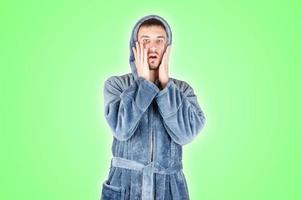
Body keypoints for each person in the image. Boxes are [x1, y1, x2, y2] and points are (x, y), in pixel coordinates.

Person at [100, 14, 206, 200]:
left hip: (170, 189)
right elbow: (122, 130)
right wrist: (144, 84)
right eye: (145, 40)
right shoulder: (117, 85)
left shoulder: (182, 90)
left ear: (168, 47)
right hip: (124, 186)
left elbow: (186, 135)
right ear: (135, 47)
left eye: (159, 40)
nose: (153, 47)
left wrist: (165, 86)